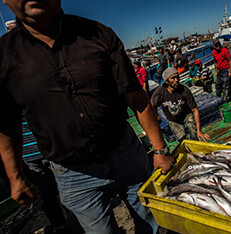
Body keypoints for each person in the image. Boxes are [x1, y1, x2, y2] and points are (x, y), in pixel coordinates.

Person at [0, 1, 174, 234]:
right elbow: (7, 124)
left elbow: (137, 98)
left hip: (126, 154)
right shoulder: (4, 56)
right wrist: (15, 177)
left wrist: (160, 150)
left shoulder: (99, 34)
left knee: (151, 222)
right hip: (72, 173)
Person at [151, 68, 210, 142]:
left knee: (194, 131)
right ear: (166, 81)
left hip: (186, 114)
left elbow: (195, 110)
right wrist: (156, 115)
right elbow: (152, 104)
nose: (176, 80)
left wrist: (199, 130)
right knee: (182, 140)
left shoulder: (184, 90)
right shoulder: (160, 92)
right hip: (173, 119)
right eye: (173, 78)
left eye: (177, 77)